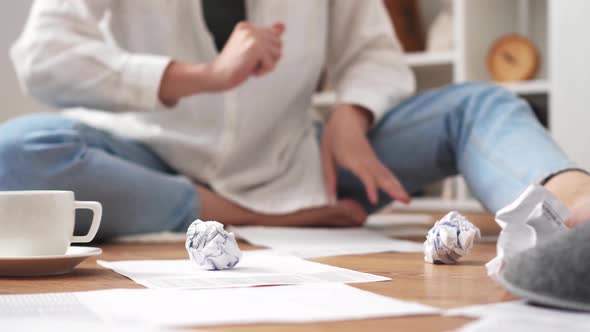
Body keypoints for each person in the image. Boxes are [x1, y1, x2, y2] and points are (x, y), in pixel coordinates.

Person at [2, 0, 589, 240]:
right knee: (17, 151)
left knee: (475, 104)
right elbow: (41, 55)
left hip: (303, 159)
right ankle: (243, 216)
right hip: (146, 158)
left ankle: (574, 213)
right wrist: (202, 76)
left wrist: (350, 116)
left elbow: (373, 53)